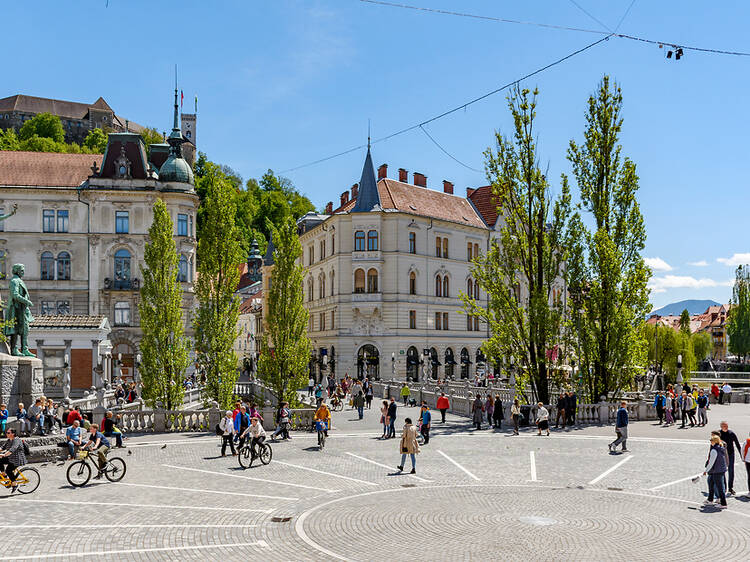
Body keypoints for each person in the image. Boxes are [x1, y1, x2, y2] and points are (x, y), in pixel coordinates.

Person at [703, 434, 728, 508]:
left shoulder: (714, 450)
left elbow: (711, 462)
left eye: (711, 440)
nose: (710, 441)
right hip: (720, 470)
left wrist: (706, 470)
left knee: (719, 487)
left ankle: (723, 503)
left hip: (716, 471)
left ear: (715, 441)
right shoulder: (720, 448)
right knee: (711, 483)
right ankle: (710, 500)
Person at [719, 421, 742, 495]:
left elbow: (738, 444)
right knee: (723, 471)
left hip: (731, 454)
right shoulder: (719, 434)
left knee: (731, 471)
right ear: (721, 427)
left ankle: (730, 488)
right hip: (722, 455)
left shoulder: (731, 433)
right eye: (724, 426)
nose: (726, 427)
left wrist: (742, 455)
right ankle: (724, 487)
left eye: (726, 426)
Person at [742, 431, 750, 497]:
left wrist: (743, 459)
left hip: (748, 461)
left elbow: (743, 450)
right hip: (748, 461)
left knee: (749, 476)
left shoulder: (747, 442)